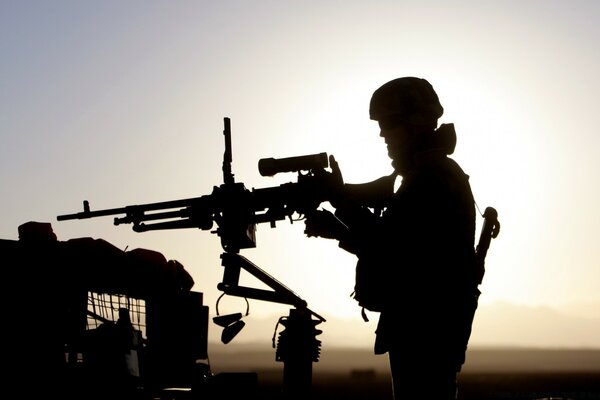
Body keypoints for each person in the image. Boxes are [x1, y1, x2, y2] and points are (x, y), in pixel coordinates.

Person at [304, 77, 480, 400]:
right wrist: (338, 224)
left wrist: (340, 202)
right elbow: (397, 249)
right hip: (422, 331)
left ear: (414, 124)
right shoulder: (422, 177)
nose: (382, 134)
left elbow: (391, 246)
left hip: (425, 333)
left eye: (389, 124)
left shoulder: (433, 181)